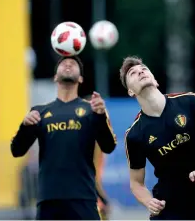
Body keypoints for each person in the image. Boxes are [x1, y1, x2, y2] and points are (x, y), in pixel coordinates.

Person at [120, 56, 195, 220]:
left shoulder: (190, 101)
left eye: (144, 69)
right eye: (133, 73)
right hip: (171, 209)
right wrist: (148, 202)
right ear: (131, 91)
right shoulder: (134, 134)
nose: (140, 72)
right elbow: (136, 183)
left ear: (155, 80)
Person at [11, 56, 117, 220]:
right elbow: (17, 150)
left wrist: (101, 117)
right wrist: (24, 127)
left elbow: (109, 146)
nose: (68, 64)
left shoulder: (91, 109)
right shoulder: (40, 112)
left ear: (80, 78)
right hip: (49, 200)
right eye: (63, 64)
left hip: (84, 199)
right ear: (55, 77)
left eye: (73, 64)